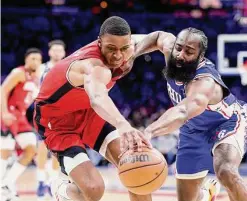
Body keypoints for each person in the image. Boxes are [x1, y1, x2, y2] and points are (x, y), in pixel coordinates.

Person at [33, 16, 152, 201]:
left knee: (138, 172)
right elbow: (97, 98)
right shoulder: (91, 65)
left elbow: (160, 37)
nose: (119, 55)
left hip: (89, 113)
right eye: (111, 49)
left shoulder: (127, 46)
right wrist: (122, 124)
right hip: (58, 122)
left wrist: (172, 48)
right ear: (99, 43)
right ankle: (59, 188)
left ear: (130, 43)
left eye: (124, 48)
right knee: (94, 189)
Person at [135, 28, 247, 201]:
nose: (181, 55)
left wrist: (149, 131)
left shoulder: (204, 81)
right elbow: (158, 36)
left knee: (226, 171)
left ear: (200, 55)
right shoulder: (171, 50)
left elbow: (183, 111)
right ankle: (207, 195)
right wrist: (132, 56)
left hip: (225, 123)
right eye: (179, 48)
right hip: (192, 128)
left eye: (189, 52)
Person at [1, 48, 42, 200]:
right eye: (32, 59)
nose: (35, 62)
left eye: (38, 59)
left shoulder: (37, 79)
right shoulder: (18, 73)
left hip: (21, 117)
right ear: (26, 60)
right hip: (9, 113)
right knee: (4, 153)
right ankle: (1, 189)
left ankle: (5, 184)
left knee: (31, 149)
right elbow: (2, 90)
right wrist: (4, 113)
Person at [36, 39, 66, 198]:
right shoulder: (41, 68)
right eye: (54, 50)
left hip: (62, 112)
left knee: (57, 148)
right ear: (49, 52)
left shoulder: (68, 68)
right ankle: (41, 181)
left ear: (64, 53)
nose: (57, 53)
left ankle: (51, 181)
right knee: (41, 146)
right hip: (43, 110)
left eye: (59, 50)